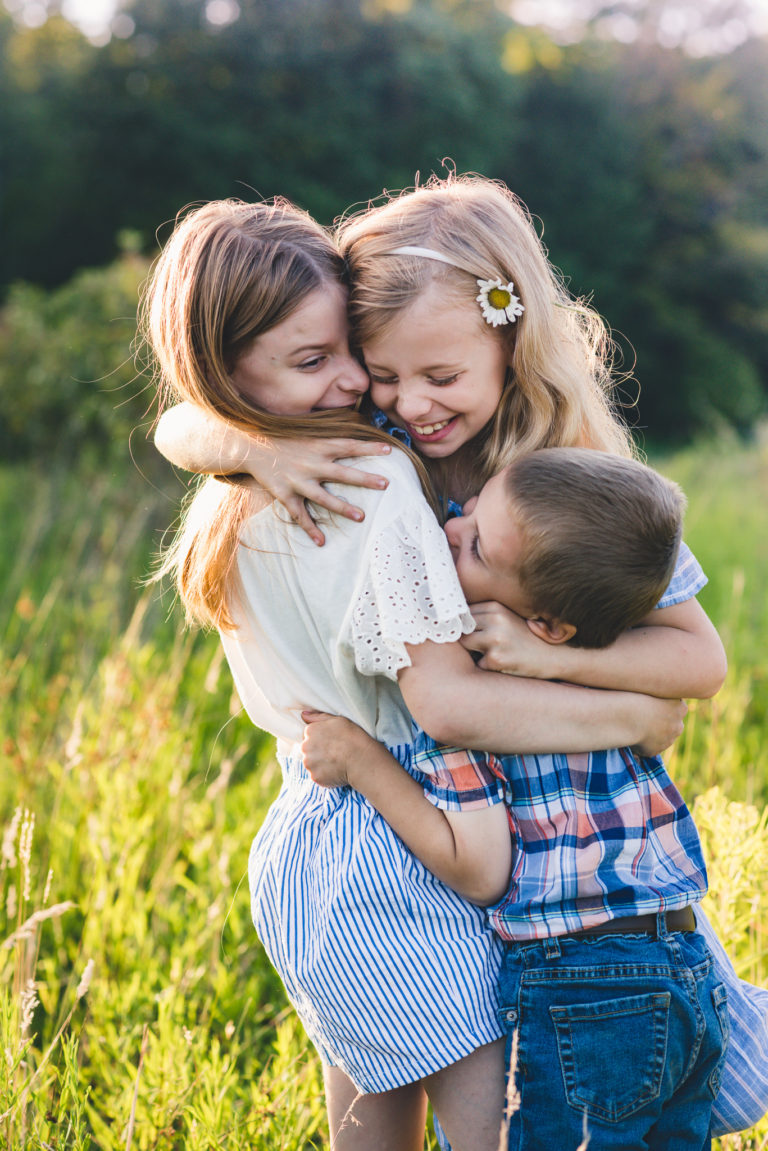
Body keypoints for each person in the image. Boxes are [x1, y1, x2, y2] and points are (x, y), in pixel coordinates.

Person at [151, 175, 767, 1139]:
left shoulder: (574, 474)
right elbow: (180, 417)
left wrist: (545, 655)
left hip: (563, 854)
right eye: (381, 371)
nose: (405, 402)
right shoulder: (384, 444)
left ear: (510, 339)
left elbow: (697, 660)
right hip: (452, 816)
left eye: (439, 377)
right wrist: (248, 443)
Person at [301, 446, 729, 1149]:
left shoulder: (479, 702)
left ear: (551, 628)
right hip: (685, 968)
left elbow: (476, 868)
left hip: (580, 987)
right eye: (464, 515)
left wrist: (360, 759)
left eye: (472, 546)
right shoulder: (624, 676)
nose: (447, 533)